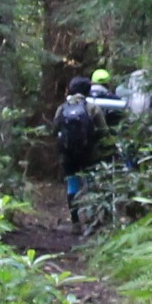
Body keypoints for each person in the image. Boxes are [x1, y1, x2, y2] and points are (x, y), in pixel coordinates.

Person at [53, 74, 106, 228]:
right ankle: (91, 220)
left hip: (68, 155)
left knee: (72, 186)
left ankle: (75, 221)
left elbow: (54, 129)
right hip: (89, 154)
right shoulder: (92, 108)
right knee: (90, 184)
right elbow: (104, 131)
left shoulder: (62, 108)